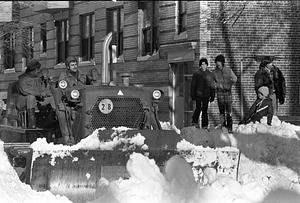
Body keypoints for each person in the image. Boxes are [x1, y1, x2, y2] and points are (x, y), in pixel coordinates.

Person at [16, 59, 50, 128]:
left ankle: (50, 123)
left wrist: (45, 82)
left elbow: (42, 90)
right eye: (37, 69)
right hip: (23, 101)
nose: (38, 71)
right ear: (32, 70)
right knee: (30, 97)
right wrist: (39, 93)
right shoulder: (22, 79)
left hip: (36, 100)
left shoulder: (37, 78)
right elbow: (25, 91)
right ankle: (32, 123)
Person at [213, 55, 237, 133]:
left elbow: (235, 79)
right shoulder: (214, 72)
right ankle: (224, 127)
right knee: (222, 112)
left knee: (229, 112)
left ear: (222, 63)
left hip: (228, 93)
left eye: (219, 63)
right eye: (216, 64)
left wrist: (229, 84)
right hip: (219, 94)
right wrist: (216, 85)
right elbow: (212, 83)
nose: (217, 65)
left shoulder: (228, 70)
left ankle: (230, 127)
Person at [190, 58, 215, 129]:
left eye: (205, 64)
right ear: (200, 66)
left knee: (205, 110)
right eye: (202, 64)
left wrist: (212, 96)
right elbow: (193, 85)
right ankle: (194, 122)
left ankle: (205, 125)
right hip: (198, 95)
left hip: (206, 95)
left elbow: (212, 86)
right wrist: (192, 95)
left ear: (207, 65)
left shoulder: (210, 74)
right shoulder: (197, 74)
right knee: (198, 108)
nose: (203, 66)